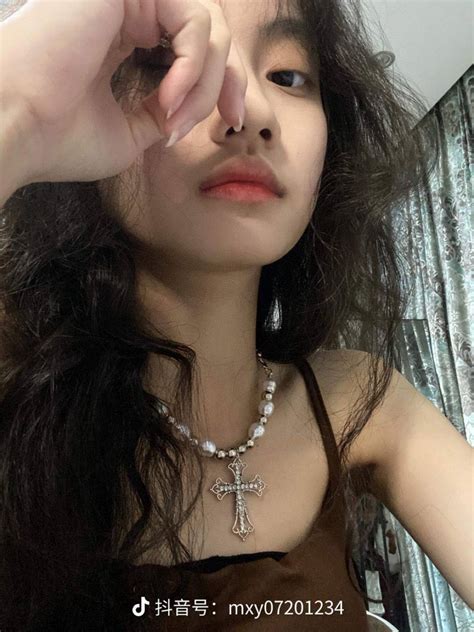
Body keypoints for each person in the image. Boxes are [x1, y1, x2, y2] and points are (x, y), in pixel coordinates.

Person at [0, 0, 472, 630]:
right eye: (171, 62)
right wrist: (17, 114)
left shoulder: (363, 399)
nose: (251, 111)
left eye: (289, 76)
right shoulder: (15, 382)